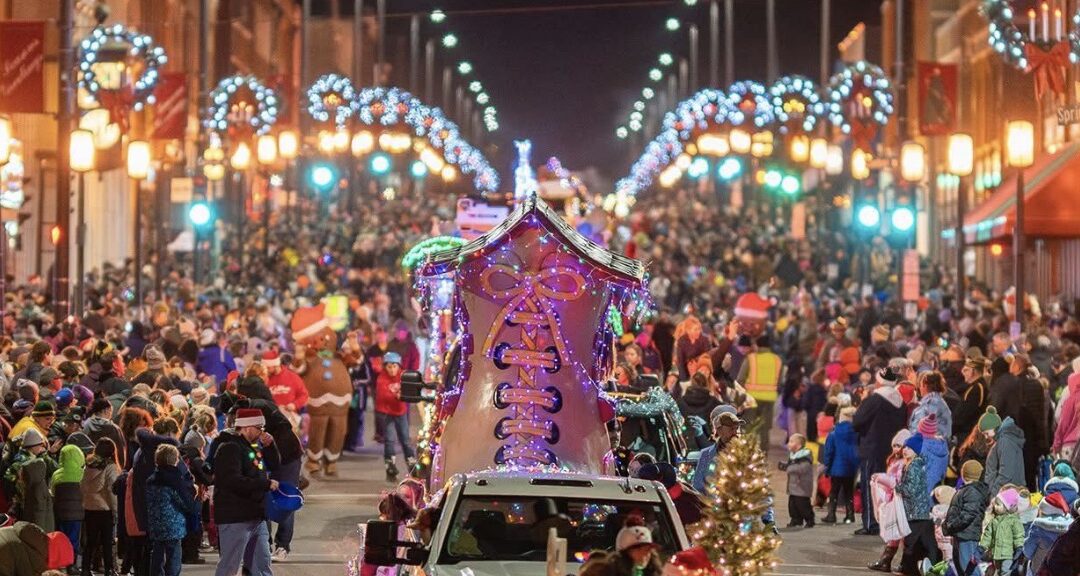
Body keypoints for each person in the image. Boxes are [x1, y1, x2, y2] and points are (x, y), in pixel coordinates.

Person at [211, 407, 279, 576]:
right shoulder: (230, 448)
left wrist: (270, 446)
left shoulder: (251, 447)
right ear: (247, 427)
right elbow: (232, 481)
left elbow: (275, 465)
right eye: (259, 427)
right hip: (235, 517)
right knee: (229, 566)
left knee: (262, 565)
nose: (262, 432)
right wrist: (265, 484)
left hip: (255, 516)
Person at [852, 367, 908, 536]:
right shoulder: (900, 401)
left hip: (872, 448)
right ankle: (887, 521)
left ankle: (871, 523)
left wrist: (863, 401)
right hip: (891, 450)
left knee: (871, 485)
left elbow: (857, 421)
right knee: (888, 488)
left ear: (879, 382)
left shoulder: (874, 400)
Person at [147, 444, 198, 576]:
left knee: (157, 554)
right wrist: (193, 499)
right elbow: (184, 502)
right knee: (173, 558)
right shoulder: (174, 480)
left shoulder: (151, 480)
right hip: (173, 526)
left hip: (155, 524)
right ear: (174, 460)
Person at [896, 433, 938, 576]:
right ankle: (911, 567)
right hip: (918, 510)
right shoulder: (912, 464)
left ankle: (908, 569)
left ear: (915, 451)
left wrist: (897, 487)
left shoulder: (913, 466)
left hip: (916, 511)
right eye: (905, 447)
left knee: (911, 541)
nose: (905, 450)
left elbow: (911, 490)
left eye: (909, 448)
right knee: (920, 541)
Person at [943, 460, 990, 576]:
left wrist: (951, 525)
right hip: (961, 533)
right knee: (960, 564)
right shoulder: (968, 489)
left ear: (964, 473)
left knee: (968, 566)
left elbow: (968, 515)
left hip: (967, 535)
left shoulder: (972, 491)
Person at [737, 335, 783, 451]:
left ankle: (747, 453)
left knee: (749, 427)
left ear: (757, 346)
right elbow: (780, 381)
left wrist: (739, 399)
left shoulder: (751, 358)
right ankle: (763, 455)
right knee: (764, 428)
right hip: (769, 399)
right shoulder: (777, 360)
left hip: (751, 399)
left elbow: (740, 379)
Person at [81, 438, 119, 576]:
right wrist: (115, 509)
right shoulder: (110, 467)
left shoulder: (88, 465)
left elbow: (82, 485)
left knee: (90, 541)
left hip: (89, 507)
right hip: (105, 509)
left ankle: (85, 568)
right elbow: (111, 490)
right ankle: (109, 569)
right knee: (107, 541)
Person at [374, 352, 415, 481]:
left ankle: (412, 463)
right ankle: (390, 466)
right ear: (385, 367)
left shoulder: (403, 376)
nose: (392, 370)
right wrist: (397, 396)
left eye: (394, 366)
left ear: (399, 366)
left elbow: (409, 390)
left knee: (405, 439)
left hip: (400, 412)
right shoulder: (382, 379)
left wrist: (405, 394)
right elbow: (383, 395)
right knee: (390, 440)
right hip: (386, 413)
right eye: (389, 367)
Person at [692, 405, 742, 493]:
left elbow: (760, 489)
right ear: (718, 430)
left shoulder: (749, 453)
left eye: (736, 427)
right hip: (712, 500)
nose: (735, 431)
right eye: (730, 427)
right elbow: (697, 487)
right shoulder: (706, 454)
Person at [822, 406, 858, 524]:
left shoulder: (834, 434)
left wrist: (827, 466)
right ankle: (850, 515)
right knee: (849, 492)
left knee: (834, 492)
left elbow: (829, 452)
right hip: (851, 468)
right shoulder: (857, 434)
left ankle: (831, 515)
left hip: (836, 468)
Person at [1024, 492, 1073, 576]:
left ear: (1043, 510)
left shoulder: (1038, 527)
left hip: (1039, 570)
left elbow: (1028, 551)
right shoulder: (1072, 527)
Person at [979, 407, 1026, 496]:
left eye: (986, 433)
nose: (986, 437)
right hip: (1009, 491)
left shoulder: (1005, 441)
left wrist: (994, 493)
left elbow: (1006, 473)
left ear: (992, 427)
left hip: (1006, 493)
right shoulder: (1004, 440)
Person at [979, 488, 1025, 575]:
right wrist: (982, 547)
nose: (995, 506)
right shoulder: (994, 521)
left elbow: (1018, 535)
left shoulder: (1014, 521)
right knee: (999, 571)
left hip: (1008, 554)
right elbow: (988, 535)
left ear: (1007, 507)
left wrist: (1019, 547)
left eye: (998, 504)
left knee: (1006, 572)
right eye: (995, 504)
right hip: (996, 554)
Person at [51, 444, 85, 558]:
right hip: (77, 514)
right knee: (74, 539)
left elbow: (52, 492)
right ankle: (72, 561)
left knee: (61, 538)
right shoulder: (82, 474)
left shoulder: (56, 474)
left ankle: (61, 560)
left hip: (59, 513)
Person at [778, 433, 814, 528]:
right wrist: (784, 465)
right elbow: (792, 465)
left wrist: (789, 468)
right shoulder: (793, 455)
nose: (788, 444)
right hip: (793, 486)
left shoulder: (805, 456)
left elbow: (803, 468)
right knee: (792, 505)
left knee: (803, 505)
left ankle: (809, 519)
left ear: (798, 445)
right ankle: (796, 520)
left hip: (802, 486)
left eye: (791, 442)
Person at [909, 372, 952, 443]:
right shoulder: (940, 401)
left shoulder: (931, 403)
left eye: (920, 385)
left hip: (928, 445)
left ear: (925, 385)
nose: (919, 388)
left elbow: (917, 428)